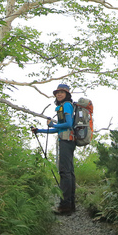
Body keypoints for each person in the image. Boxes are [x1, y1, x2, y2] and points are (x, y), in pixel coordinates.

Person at [31, 83, 76, 215]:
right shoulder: (62, 107)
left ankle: (65, 206)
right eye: (57, 93)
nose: (59, 94)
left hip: (67, 141)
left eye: (62, 92)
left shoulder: (67, 105)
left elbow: (68, 124)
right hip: (67, 140)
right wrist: (40, 130)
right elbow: (59, 128)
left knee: (65, 172)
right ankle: (70, 205)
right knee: (69, 172)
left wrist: (53, 124)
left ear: (67, 94)